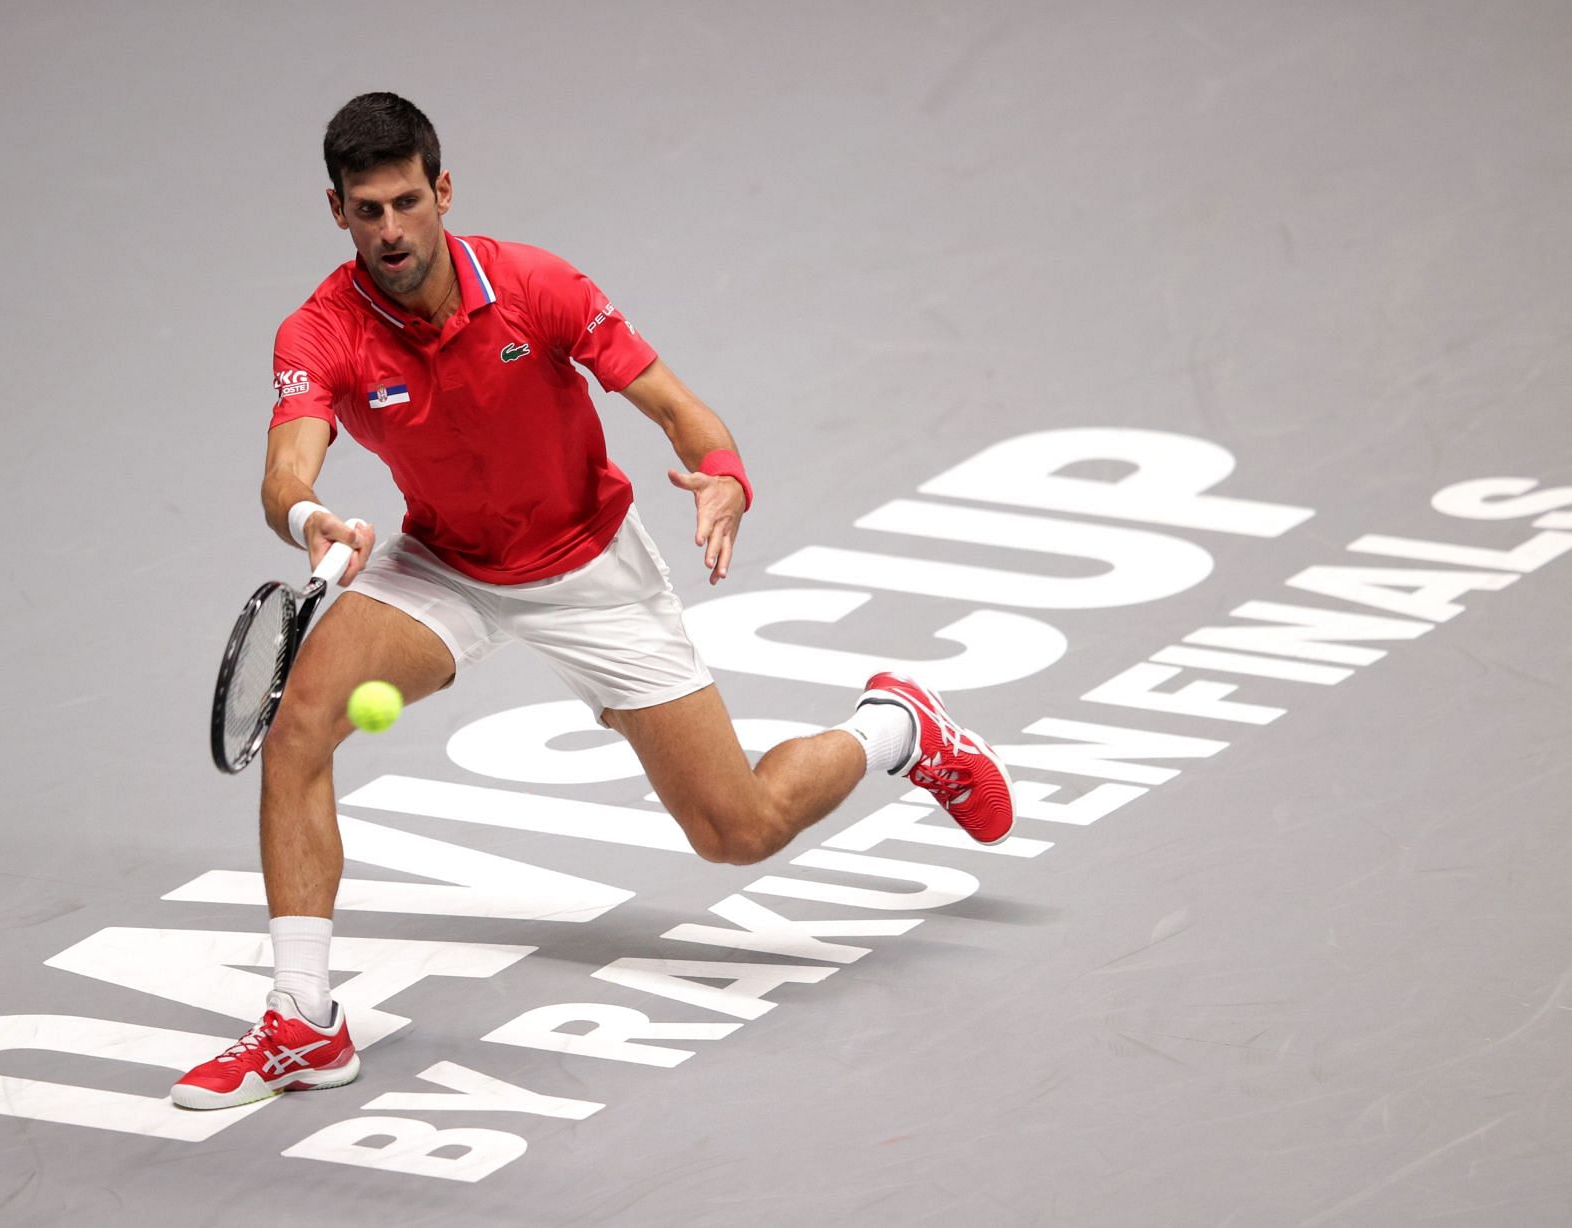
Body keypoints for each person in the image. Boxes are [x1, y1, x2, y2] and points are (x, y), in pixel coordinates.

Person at [171, 93, 1015, 1111]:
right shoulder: (322, 329)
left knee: (737, 830)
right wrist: (312, 518)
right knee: (303, 719)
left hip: (589, 569)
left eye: (405, 202)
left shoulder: (539, 287)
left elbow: (674, 406)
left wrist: (723, 473)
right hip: (443, 564)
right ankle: (304, 1017)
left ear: (443, 190)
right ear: (336, 211)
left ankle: (895, 725)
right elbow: (285, 468)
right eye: (365, 211)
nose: (389, 231)